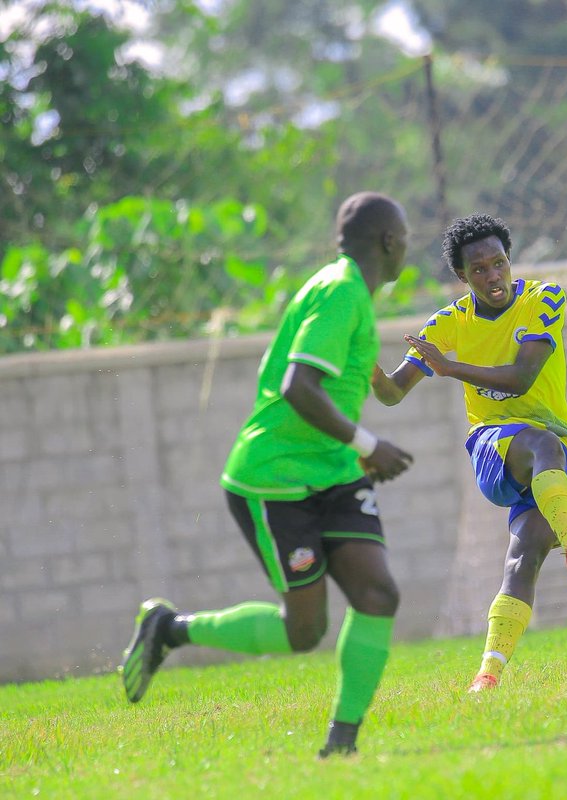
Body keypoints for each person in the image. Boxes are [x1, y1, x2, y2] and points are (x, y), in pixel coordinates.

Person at [119, 192, 415, 758]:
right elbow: (297, 388)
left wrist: (358, 446)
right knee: (303, 632)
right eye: (404, 237)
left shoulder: (349, 291)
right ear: (388, 242)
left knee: (377, 593)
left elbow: (337, 387)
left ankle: (342, 746)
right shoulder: (340, 291)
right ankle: (169, 630)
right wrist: (369, 444)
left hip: (331, 471)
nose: (407, 246)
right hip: (274, 481)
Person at [372, 213, 567, 692]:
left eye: (499, 264)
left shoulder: (545, 298)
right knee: (539, 442)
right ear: (462, 276)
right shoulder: (448, 323)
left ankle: (487, 674)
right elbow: (393, 391)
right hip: (494, 448)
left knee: (523, 560)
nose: (493, 276)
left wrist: (451, 369)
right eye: (479, 270)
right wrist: (360, 362)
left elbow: (523, 377)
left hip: (556, 459)